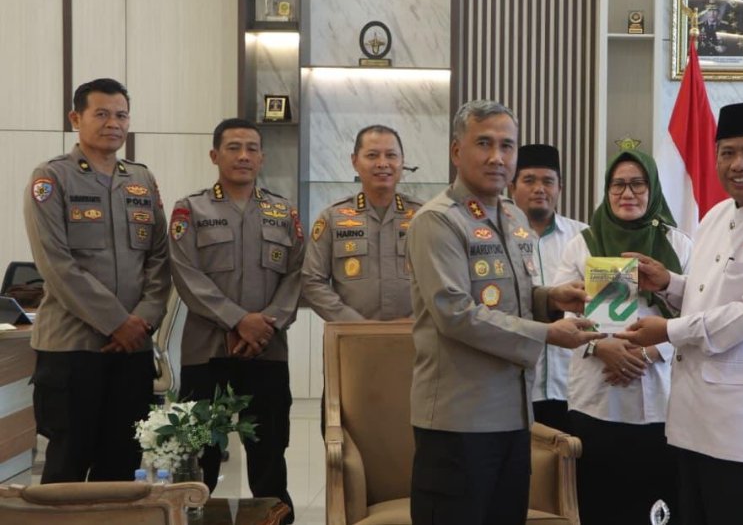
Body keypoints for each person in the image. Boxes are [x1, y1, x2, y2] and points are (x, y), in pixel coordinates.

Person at [618, 101, 743, 525]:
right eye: (727, 153)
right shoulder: (715, 215)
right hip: (694, 421)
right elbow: (708, 295)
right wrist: (668, 283)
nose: (738, 165)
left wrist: (668, 330)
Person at [407, 100, 603, 525]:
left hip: (515, 415)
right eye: (484, 144)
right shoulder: (437, 221)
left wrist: (551, 300)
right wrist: (547, 334)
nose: (497, 157)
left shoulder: (513, 217)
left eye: (507, 146)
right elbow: (455, 313)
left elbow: (512, 298)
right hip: (459, 420)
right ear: (456, 151)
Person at [24, 78, 170, 483]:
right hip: (72, 348)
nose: (113, 123)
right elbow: (56, 264)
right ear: (76, 118)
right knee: (67, 464)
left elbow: (159, 258)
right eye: (101, 114)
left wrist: (142, 321)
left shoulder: (141, 179)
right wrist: (117, 322)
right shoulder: (52, 178)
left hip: (133, 349)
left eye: (121, 115)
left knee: (122, 465)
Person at [169, 118, 305, 523]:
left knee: (269, 455)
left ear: (262, 157)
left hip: (267, 352)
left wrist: (267, 324)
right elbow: (186, 275)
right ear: (215, 155)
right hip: (206, 355)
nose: (243, 156)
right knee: (199, 456)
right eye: (233, 147)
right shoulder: (190, 209)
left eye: (251, 148)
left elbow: (298, 275)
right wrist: (237, 321)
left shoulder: (284, 212)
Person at [552, 148, 691, 525]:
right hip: (598, 396)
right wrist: (602, 345)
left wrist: (649, 353)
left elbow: (697, 314)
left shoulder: (678, 244)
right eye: (618, 185)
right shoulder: (582, 243)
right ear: (607, 189)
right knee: (600, 503)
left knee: (658, 508)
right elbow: (565, 309)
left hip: (660, 396)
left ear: (653, 189)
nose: (627, 193)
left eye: (638, 184)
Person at [302, 124, 422, 324]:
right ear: (355, 161)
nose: (382, 163)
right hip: (349, 335)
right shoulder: (332, 217)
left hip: (416, 334)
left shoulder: (424, 217)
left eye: (391, 155)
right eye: (372, 155)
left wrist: (416, 320)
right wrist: (352, 322)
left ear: (402, 161)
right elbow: (312, 281)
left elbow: (443, 281)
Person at [507, 143, 588, 434]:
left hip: (572, 387)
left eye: (548, 181)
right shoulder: (495, 238)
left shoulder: (585, 238)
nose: (539, 189)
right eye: (529, 180)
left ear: (560, 188)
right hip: (514, 386)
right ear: (512, 187)